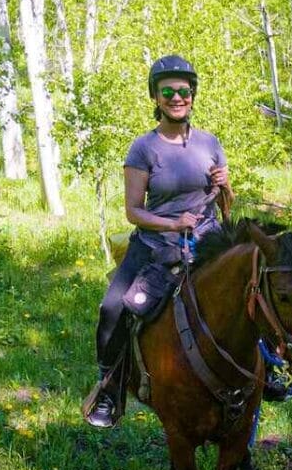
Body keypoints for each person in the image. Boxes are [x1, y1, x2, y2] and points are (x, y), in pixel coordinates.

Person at [85, 55, 233, 428]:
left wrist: (226, 186)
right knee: (113, 308)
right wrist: (171, 222)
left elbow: (226, 206)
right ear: (155, 97)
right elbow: (133, 212)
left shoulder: (210, 143)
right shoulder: (143, 148)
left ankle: (271, 373)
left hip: (207, 241)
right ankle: (109, 385)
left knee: (249, 294)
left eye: (184, 90)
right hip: (154, 246)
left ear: (193, 95)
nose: (176, 97)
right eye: (167, 91)